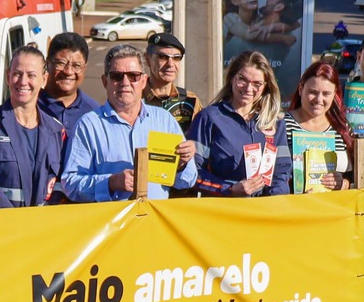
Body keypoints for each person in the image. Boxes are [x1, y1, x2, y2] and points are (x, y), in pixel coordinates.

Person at [59, 44, 200, 201]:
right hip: (112, 223)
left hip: (154, 222)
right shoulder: (88, 126)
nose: (125, 82)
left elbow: (188, 180)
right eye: (117, 76)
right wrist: (110, 182)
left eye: (133, 76)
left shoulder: (164, 120)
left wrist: (181, 165)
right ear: (105, 81)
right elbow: (70, 185)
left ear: (144, 81)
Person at [0, 45, 68, 207]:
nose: (23, 81)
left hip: (42, 227)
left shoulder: (57, 132)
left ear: (43, 80)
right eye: (17, 74)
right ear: (8, 76)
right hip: (2, 225)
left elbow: (61, 186)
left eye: (31, 75)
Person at [190, 51, 282, 196]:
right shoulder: (209, 118)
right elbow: (193, 173)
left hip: (264, 213)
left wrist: (273, 202)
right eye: (242, 79)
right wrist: (228, 189)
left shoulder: (275, 123)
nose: (248, 88)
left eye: (257, 84)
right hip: (223, 212)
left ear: (265, 87)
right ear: (231, 78)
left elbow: (281, 173)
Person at [270, 59, 351, 195]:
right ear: (301, 89)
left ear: (334, 94)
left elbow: (355, 176)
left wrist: (344, 183)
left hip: (332, 211)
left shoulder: (342, 128)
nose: (319, 99)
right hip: (292, 210)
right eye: (313, 92)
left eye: (326, 94)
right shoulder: (281, 125)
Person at [39, 31, 96, 139]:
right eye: (61, 63)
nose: (68, 71)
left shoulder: (94, 113)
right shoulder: (31, 106)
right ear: (48, 63)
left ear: (85, 68)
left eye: (76, 65)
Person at [145, 31, 200, 127]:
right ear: (147, 59)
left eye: (176, 58)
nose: (170, 64)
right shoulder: (135, 98)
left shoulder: (189, 100)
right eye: (162, 57)